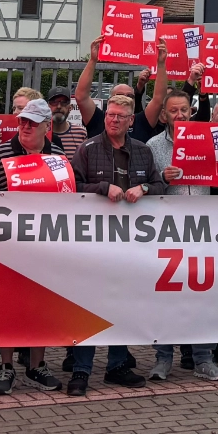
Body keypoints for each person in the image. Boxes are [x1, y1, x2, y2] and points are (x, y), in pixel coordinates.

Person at [64, 94, 163, 395]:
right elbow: (72, 185)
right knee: (89, 305)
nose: (114, 120)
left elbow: (160, 185)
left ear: (132, 121)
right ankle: (81, 370)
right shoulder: (88, 148)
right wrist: (103, 188)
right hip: (95, 243)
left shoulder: (144, 152)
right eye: (110, 115)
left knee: (123, 303)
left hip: (131, 244)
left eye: (121, 116)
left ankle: (117, 366)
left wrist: (144, 187)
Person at [0, 98, 66, 392]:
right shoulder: (2, 151)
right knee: (8, 306)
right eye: (23, 121)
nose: (25, 127)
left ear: (47, 127)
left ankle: (36, 366)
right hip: (8, 245)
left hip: (45, 246)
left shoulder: (58, 153)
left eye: (32, 122)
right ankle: (6, 368)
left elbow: (69, 195)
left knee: (42, 306)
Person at [144, 90, 218, 382]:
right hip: (167, 231)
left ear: (191, 112)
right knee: (166, 297)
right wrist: (162, 180)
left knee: (201, 296)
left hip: (202, 230)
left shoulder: (211, 136)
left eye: (184, 110)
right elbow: (144, 186)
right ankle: (163, 359)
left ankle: (203, 359)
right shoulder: (153, 145)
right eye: (174, 111)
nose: (179, 116)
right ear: (164, 114)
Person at [45, 87, 88, 155]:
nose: (59, 106)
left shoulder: (81, 133)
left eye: (64, 102)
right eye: (54, 102)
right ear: (47, 107)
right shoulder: (41, 133)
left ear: (70, 107)